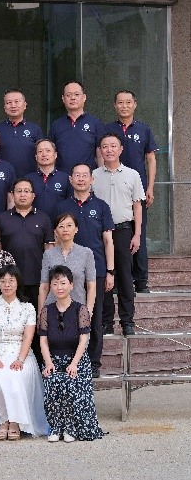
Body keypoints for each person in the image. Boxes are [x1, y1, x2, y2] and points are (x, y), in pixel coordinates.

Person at [0, 265, 48, 440]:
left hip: (21, 353)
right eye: (3, 281)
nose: (7, 285)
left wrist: (20, 359)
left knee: (17, 375)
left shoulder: (27, 307)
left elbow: (28, 337)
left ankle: (15, 422)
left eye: (11, 281)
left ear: (18, 283)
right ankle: (3, 420)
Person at [56, 164, 113, 369]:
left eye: (85, 175)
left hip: (96, 269)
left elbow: (108, 240)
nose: (81, 179)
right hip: (67, 271)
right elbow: (57, 239)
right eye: (77, 175)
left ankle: (93, 363)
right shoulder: (62, 206)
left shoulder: (102, 206)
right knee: (67, 316)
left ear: (92, 179)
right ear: (70, 179)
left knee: (93, 317)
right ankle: (71, 360)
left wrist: (110, 271)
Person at [38, 265, 104, 442]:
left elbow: (83, 340)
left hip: (76, 359)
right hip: (53, 358)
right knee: (52, 383)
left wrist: (74, 363)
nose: (59, 288)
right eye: (55, 284)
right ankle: (55, 427)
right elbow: (43, 341)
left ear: (71, 285)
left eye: (63, 283)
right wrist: (48, 363)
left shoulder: (80, 309)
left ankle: (70, 428)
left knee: (71, 384)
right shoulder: (46, 311)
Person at [102, 90, 158, 294]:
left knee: (138, 233)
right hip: (113, 190)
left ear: (135, 104)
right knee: (115, 235)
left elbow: (151, 159)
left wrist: (150, 186)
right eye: (120, 102)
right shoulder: (108, 129)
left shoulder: (144, 129)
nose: (124, 106)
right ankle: (116, 279)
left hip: (137, 190)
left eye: (128, 102)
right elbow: (100, 155)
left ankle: (141, 280)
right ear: (114, 105)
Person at [93, 133, 145, 336]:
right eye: (105, 146)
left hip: (123, 230)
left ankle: (127, 321)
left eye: (113, 146)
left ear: (121, 149)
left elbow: (137, 206)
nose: (109, 150)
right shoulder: (94, 176)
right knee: (104, 277)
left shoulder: (132, 175)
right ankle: (107, 321)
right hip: (100, 233)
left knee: (124, 277)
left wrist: (137, 234)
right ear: (100, 150)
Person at [0, 179, 55, 304]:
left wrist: (50, 275)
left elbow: (49, 250)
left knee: (35, 313)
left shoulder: (44, 218)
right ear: (13, 195)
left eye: (26, 191)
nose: (22, 194)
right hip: (9, 280)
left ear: (33, 195)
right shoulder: (2, 218)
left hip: (36, 278)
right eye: (19, 191)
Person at [38, 213, 98, 310]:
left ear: (76, 229)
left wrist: (88, 311)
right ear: (55, 231)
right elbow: (44, 285)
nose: (65, 229)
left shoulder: (86, 253)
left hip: (78, 308)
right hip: (52, 309)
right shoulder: (48, 254)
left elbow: (91, 285)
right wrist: (41, 312)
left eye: (69, 225)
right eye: (61, 226)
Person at [48, 82, 103, 171]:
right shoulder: (56, 125)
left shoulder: (95, 123)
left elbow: (100, 155)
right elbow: (50, 155)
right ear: (63, 99)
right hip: (62, 177)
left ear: (84, 97)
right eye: (68, 95)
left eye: (77, 94)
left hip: (87, 177)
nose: (73, 98)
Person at [0, 89, 43, 180]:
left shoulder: (35, 129)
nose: (13, 106)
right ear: (4, 107)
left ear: (25, 105)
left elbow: (42, 155)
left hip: (29, 181)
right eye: (9, 102)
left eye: (17, 102)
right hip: (2, 179)